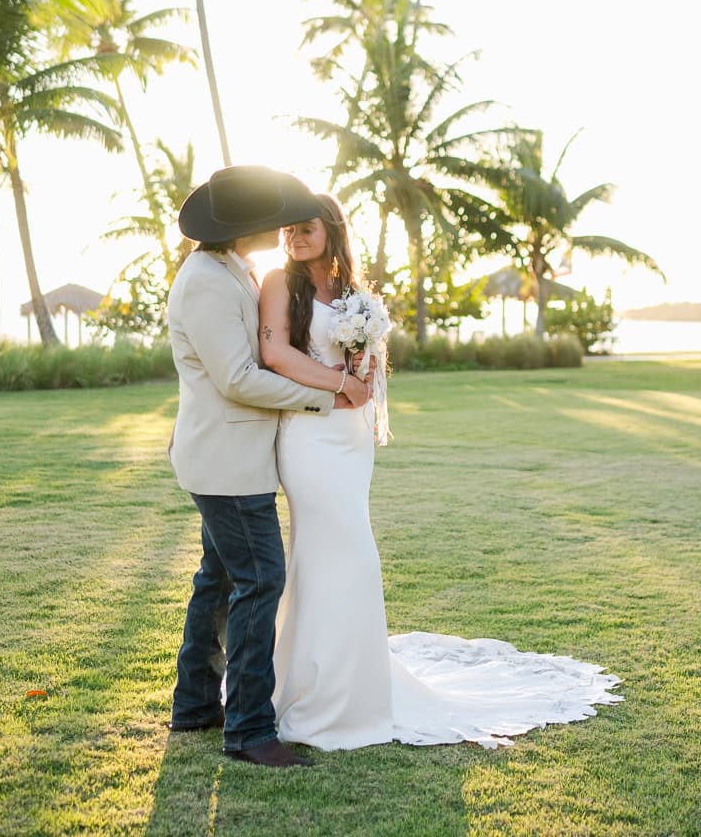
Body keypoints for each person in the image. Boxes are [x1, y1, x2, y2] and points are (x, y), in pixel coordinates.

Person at [259, 194, 622, 750]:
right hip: (308, 434)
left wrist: (365, 365)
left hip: (351, 441)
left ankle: (351, 681)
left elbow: (372, 356)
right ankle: (315, 689)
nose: (294, 238)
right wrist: (339, 383)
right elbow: (277, 356)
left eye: (305, 228)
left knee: (342, 550)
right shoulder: (280, 285)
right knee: (338, 549)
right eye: (287, 230)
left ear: (331, 231)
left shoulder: (355, 294)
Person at [166, 166, 370, 768]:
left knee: (218, 579)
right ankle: (250, 730)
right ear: (244, 227)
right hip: (227, 462)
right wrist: (325, 397)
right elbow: (237, 378)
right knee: (261, 581)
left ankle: (195, 704)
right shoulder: (206, 280)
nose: (279, 227)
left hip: (228, 456)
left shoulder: (231, 270)